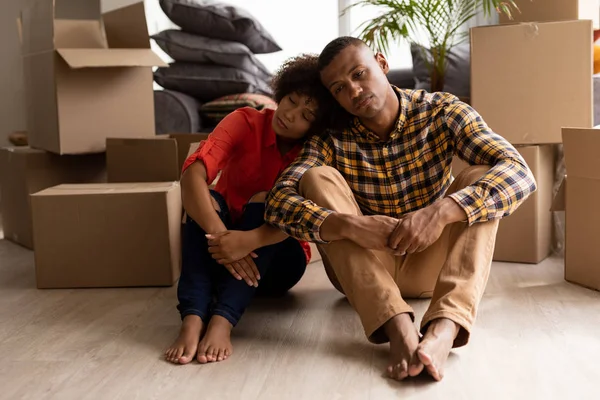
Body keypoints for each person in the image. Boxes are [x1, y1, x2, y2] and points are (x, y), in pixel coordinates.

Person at [264, 37, 537, 382]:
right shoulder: (329, 139)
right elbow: (277, 202)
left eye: (360, 73)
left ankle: (445, 329)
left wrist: (441, 212)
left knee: (484, 176)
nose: (354, 90)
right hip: (363, 267)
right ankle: (398, 328)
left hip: (430, 264)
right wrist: (349, 225)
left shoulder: (442, 111)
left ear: (381, 63)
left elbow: (520, 172)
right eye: (339, 88)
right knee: (317, 178)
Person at [165, 54, 335, 365]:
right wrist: (222, 237)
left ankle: (222, 321)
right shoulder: (246, 121)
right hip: (219, 248)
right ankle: (192, 319)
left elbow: (303, 218)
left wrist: (250, 241)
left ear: (317, 127)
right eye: (292, 99)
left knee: (267, 199)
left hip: (278, 262)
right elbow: (193, 174)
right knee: (209, 201)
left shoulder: (315, 152)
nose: (290, 113)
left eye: (306, 115)